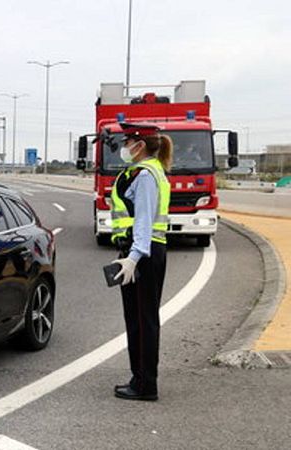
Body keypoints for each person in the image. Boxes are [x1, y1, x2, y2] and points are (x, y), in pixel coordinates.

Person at [109, 123, 172, 401]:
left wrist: (133, 259)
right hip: (140, 253)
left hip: (143, 255)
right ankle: (140, 378)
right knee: (137, 319)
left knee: (144, 320)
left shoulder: (146, 175)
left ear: (140, 144)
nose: (124, 146)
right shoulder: (149, 171)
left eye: (128, 141)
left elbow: (144, 223)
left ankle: (146, 384)